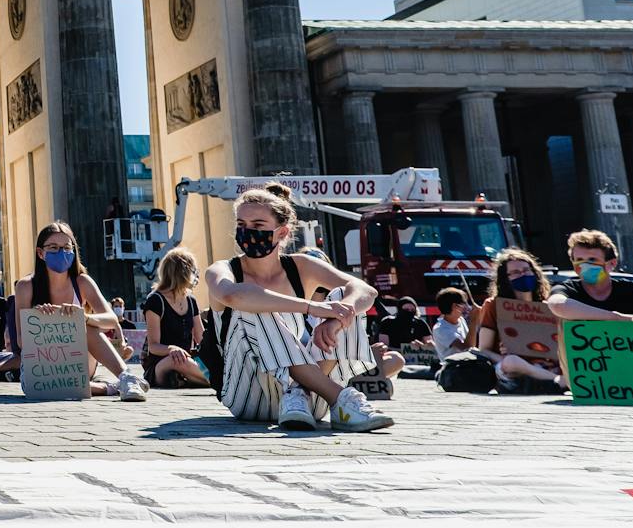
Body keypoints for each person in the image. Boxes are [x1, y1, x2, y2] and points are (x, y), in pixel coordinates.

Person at [203, 183, 392, 431]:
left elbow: (366, 290)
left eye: (258, 226)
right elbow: (232, 295)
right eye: (241, 225)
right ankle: (341, 399)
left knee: (344, 297)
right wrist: (313, 308)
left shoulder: (300, 267)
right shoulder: (223, 270)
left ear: (281, 233)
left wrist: (336, 317)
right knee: (253, 303)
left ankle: (300, 391)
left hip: (307, 403)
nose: (248, 231)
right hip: (249, 396)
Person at [12, 222, 147, 401]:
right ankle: (109, 388)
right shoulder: (25, 286)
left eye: (66, 248)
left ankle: (126, 377)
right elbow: (22, 341)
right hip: (42, 365)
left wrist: (85, 317)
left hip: (78, 360)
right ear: (40, 253)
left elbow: (111, 319)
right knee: (52, 387)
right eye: (53, 248)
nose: (61, 252)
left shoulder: (82, 282)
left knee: (86, 326)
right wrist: (38, 319)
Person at [469, 247, 567, 394]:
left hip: (548, 365)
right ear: (506, 279)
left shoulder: (548, 306)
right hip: (514, 367)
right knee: (511, 363)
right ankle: (559, 382)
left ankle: (551, 380)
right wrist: (503, 356)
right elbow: (484, 350)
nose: (523, 275)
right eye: (515, 272)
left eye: (526, 270)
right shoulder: (493, 305)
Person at [142, 247, 207, 389]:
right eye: (192, 270)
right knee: (176, 360)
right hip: (162, 362)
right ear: (183, 273)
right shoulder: (155, 300)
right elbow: (153, 346)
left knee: (185, 362)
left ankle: (184, 379)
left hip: (186, 360)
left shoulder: (191, 300)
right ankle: (219, 382)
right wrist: (172, 349)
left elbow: (201, 339)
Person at [549, 228, 633, 324]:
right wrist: (618, 318)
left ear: (612, 263)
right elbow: (558, 305)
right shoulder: (568, 289)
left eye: (592, 259)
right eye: (579, 259)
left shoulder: (632, 290)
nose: (584, 264)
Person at [431, 287, 471, 360]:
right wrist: (474, 321)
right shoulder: (440, 329)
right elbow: (466, 348)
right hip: (452, 368)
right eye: (463, 303)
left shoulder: (461, 320)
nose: (466, 306)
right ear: (454, 306)